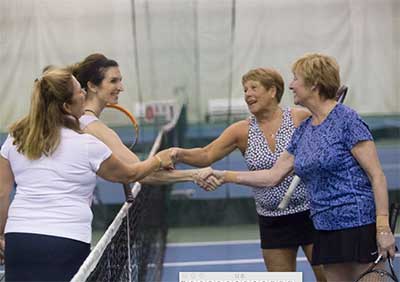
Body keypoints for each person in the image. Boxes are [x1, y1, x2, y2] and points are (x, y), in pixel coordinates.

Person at [200, 53, 396, 282]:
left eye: (296, 79)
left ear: (314, 84)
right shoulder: (304, 131)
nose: (291, 85)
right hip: (324, 227)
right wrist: (224, 175)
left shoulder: (348, 120)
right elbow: (273, 176)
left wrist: (382, 228)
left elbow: (377, 176)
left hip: (358, 223)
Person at [0, 68, 175, 282]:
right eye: (79, 91)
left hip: (18, 240)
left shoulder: (14, 139)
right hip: (65, 243)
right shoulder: (88, 145)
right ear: (66, 106)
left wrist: (1, 234)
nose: (84, 93)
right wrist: (159, 159)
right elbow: (129, 173)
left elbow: (1, 193)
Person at [170, 68, 326, 281]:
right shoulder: (240, 131)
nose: (247, 94)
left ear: (272, 91)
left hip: (312, 215)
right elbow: (206, 154)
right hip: (272, 222)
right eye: (245, 90)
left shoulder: (301, 118)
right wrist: (178, 154)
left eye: (254, 88)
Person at [69, 53, 213, 188]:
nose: (121, 88)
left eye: (120, 81)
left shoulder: (75, 119)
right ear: (92, 86)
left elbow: (140, 170)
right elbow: (140, 174)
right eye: (113, 81)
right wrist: (194, 174)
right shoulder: (95, 129)